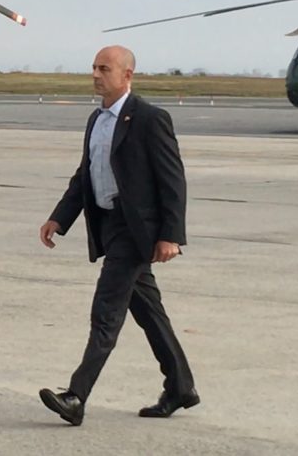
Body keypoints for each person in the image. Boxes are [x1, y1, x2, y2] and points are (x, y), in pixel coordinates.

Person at [36, 45, 197, 426]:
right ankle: (180, 386)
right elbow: (85, 175)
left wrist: (171, 236)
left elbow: (173, 181)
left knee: (106, 311)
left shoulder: (149, 118)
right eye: (93, 67)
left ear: (127, 75)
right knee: (150, 314)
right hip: (109, 225)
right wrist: (59, 218)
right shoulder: (96, 120)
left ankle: (76, 396)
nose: (95, 74)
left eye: (104, 68)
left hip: (136, 229)